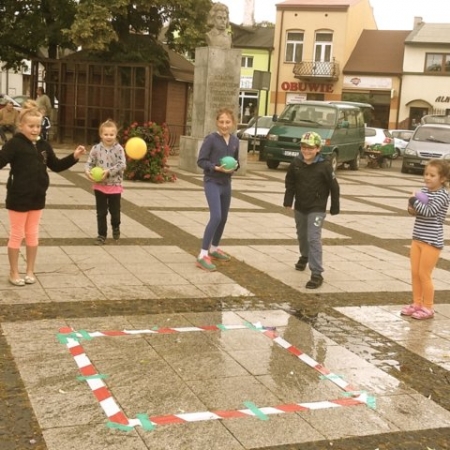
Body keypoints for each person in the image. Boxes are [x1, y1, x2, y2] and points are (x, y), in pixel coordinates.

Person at [0, 101, 86, 286]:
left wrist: (74, 157)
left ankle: (30, 271)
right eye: (31, 126)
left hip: (37, 196)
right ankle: (14, 272)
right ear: (21, 125)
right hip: (18, 197)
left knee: (32, 234)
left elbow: (55, 165)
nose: (35, 129)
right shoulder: (14, 144)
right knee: (17, 234)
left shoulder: (44, 145)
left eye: (38, 126)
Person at [283, 131, 340, 289]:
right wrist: (288, 200)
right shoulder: (296, 164)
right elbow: (290, 183)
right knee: (302, 235)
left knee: (313, 237)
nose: (306, 151)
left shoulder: (325, 166)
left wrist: (335, 206)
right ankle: (304, 256)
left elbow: (334, 187)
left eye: (310, 148)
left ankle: (316, 273)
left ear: (318, 149)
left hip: (317, 207)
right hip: (301, 206)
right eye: (303, 147)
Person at [401, 159, 450, 320]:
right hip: (418, 237)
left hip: (431, 241)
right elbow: (417, 211)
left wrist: (413, 200)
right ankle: (417, 303)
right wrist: (411, 208)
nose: (428, 178)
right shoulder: (424, 191)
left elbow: (429, 212)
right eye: (426, 174)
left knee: (424, 274)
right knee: (415, 273)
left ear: (442, 179)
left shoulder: (443, 195)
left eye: (432, 175)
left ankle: (428, 307)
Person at [196, 107, 239, 271]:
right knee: (216, 216)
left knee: (224, 218)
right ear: (217, 122)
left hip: (226, 184)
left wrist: (234, 167)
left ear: (233, 123)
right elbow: (201, 161)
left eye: (228, 122)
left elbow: (236, 162)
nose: (224, 125)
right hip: (212, 182)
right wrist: (216, 168)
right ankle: (202, 255)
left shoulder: (235, 141)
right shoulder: (211, 139)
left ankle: (214, 248)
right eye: (221, 122)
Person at [85, 119, 126, 245]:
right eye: (106, 134)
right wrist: (87, 171)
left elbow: (122, 165)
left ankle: (116, 226)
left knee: (115, 211)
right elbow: (89, 163)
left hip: (114, 185)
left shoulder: (119, 149)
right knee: (101, 212)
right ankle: (101, 234)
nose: (109, 137)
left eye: (111, 134)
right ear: (101, 135)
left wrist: (108, 172)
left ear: (115, 135)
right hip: (100, 186)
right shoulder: (96, 149)